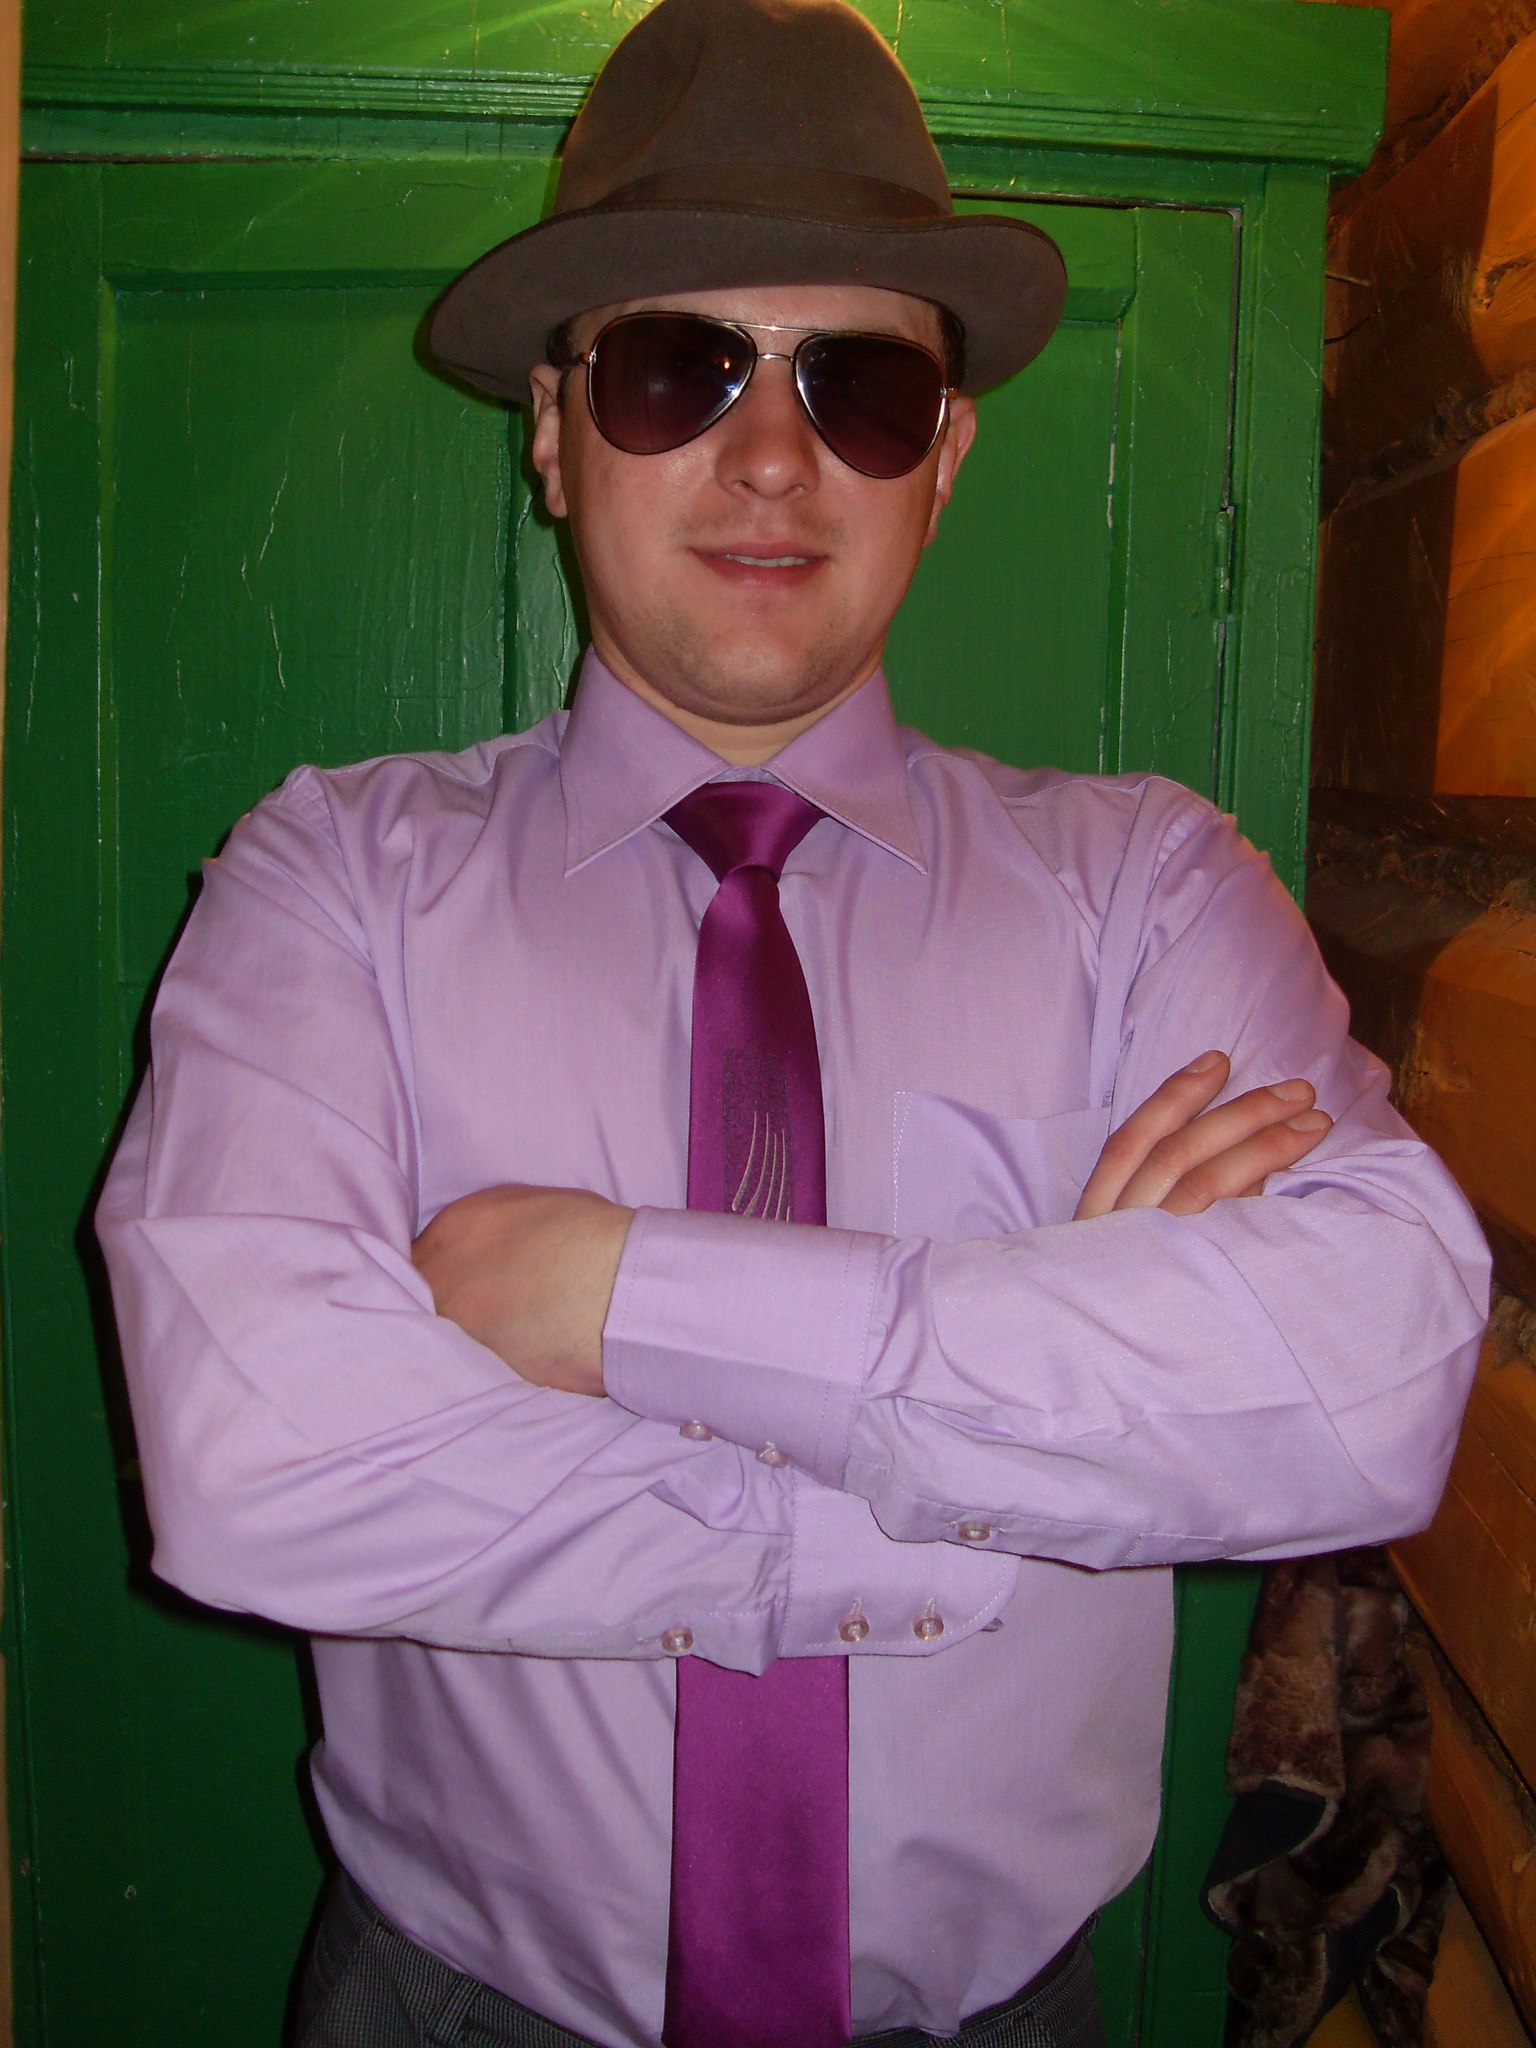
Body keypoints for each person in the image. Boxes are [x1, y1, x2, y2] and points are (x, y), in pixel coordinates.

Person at [96, 2, 1489, 2045]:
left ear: (947, 456)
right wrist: (1021, 1442)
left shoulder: (1152, 893)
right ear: (554, 430)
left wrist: (614, 1294)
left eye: (860, 382)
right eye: (679, 366)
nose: (770, 454)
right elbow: (255, 1457)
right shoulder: (329, 883)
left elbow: (1375, 1375)